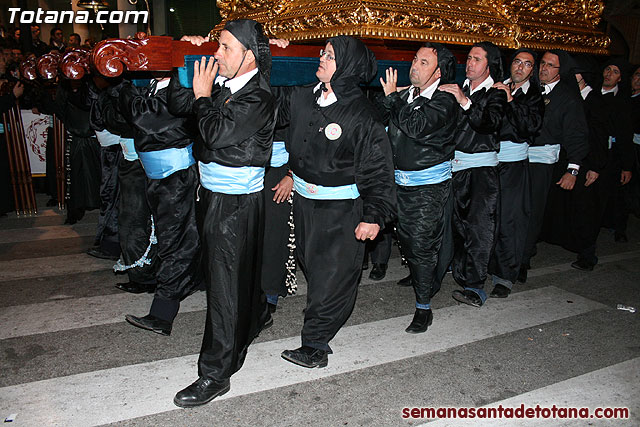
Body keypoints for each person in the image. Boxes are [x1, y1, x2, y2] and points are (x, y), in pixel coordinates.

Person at [169, 19, 276, 407]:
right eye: (217, 46)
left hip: (234, 204)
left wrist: (201, 97)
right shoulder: (225, 86)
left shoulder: (258, 97)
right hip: (214, 196)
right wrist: (184, 63)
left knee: (224, 285)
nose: (217, 54)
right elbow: (178, 105)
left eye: (226, 48)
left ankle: (215, 373)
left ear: (249, 55)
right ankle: (254, 317)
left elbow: (213, 133)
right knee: (231, 275)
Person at [277, 36, 396, 368]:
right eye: (322, 53)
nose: (321, 58)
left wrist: (374, 215)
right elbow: (267, 111)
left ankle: (315, 343)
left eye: (329, 55)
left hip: (342, 210)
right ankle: (319, 321)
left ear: (348, 65)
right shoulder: (302, 97)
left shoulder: (363, 114)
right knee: (313, 268)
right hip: (304, 204)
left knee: (335, 276)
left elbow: (378, 169)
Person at [378, 42, 458, 331]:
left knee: (422, 246)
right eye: (415, 59)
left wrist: (394, 99)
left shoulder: (444, 100)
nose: (414, 65)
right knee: (407, 240)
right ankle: (420, 274)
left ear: (438, 73)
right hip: (398, 184)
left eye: (424, 62)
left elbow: (416, 126)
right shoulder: (405, 96)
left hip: (428, 190)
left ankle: (424, 307)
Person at [119, 71, 201, 336]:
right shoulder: (151, 86)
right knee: (170, 240)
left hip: (175, 178)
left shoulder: (181, 89)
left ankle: (162, 314)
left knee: (176, 244)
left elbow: (144, 118)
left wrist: (126, 87)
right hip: (157, 179)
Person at [438, 41, 507, 307]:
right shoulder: (460, 89)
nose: (469, 63)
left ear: (489, 66)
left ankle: (475, 286)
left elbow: (487, 123)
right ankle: (457, 272)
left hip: (481, 171)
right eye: (468, 58)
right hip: (455, 168)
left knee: (479, 228)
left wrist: (465, 102)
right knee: (456, 227)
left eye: (476, 59)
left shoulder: (497, 94)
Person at [519, 50, 588, 282]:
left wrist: (573, 170)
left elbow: (577, 136)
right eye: (542, 64)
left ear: (561, 71)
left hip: (542, 161)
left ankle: (523, 258)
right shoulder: (530, 89)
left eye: (550, 65)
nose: (543, 69)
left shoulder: (567, 98)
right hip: (518, 157)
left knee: (532, 211)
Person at [487, 48, 544, 298]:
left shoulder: (534, 96)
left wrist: (510, 101)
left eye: (527, 64)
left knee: (510, 221)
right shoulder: (498, 86)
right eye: (517, 62)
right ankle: (484, 266)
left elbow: (529, 127)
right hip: (489, 161)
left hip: (514, 165)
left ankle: (505, 276)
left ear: (533, 70)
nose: (520, 67)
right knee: (488, 217)